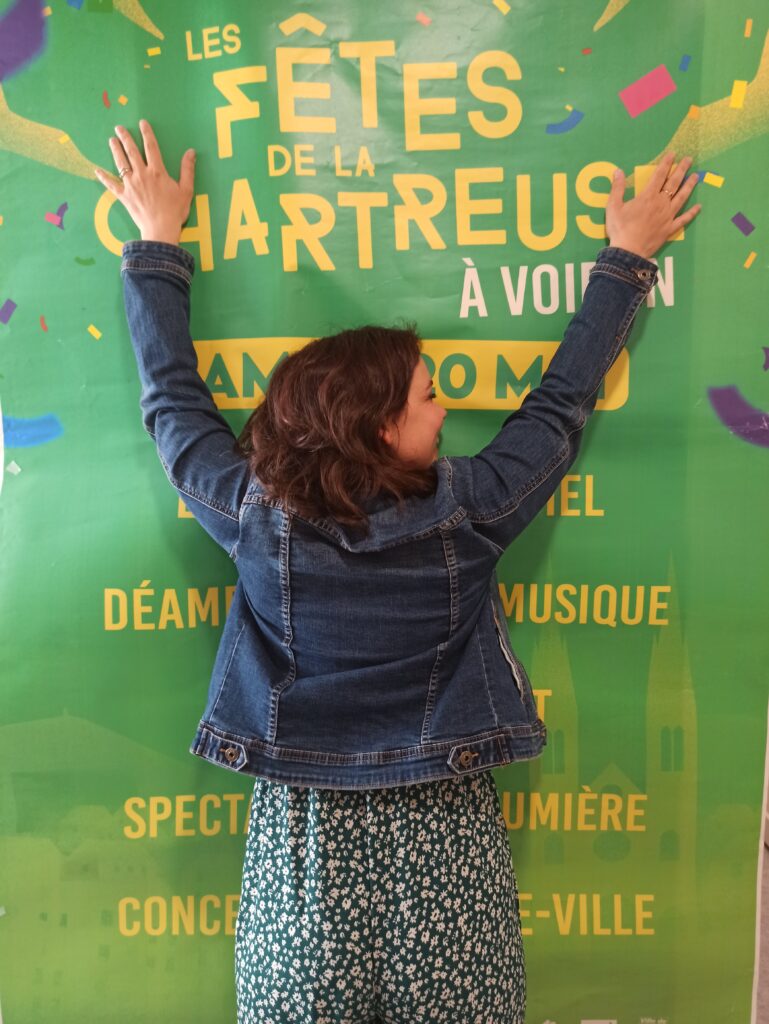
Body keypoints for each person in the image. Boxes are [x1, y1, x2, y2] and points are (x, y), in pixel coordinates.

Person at [95, 121, 701, 1024]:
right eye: (428, 394)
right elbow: (558, 405)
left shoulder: (253, 515)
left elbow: (172, 407)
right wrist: (627, 259)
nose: (444, 406)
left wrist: (156, 241)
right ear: (380, 425)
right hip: (446, 851)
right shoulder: (475, 506)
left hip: (304, 854)